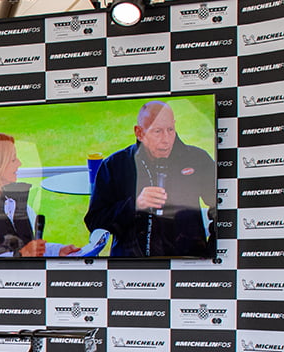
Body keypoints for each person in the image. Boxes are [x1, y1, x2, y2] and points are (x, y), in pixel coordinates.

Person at [85, 100, 216, 258]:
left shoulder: (197, 159)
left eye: (170, 129)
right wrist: (134, 205)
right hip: (130, 266)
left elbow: (223, 207)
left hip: (187, 263)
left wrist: (212, 250)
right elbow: (95, 222)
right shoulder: (115, 165)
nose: (166, 139)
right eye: (157, 131)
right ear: (139, 132)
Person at [0, 133, 77, 258]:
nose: (19, 163)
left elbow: (31, 250)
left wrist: (58, 250)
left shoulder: (14, 201)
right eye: (13, 159)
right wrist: (21, 255)